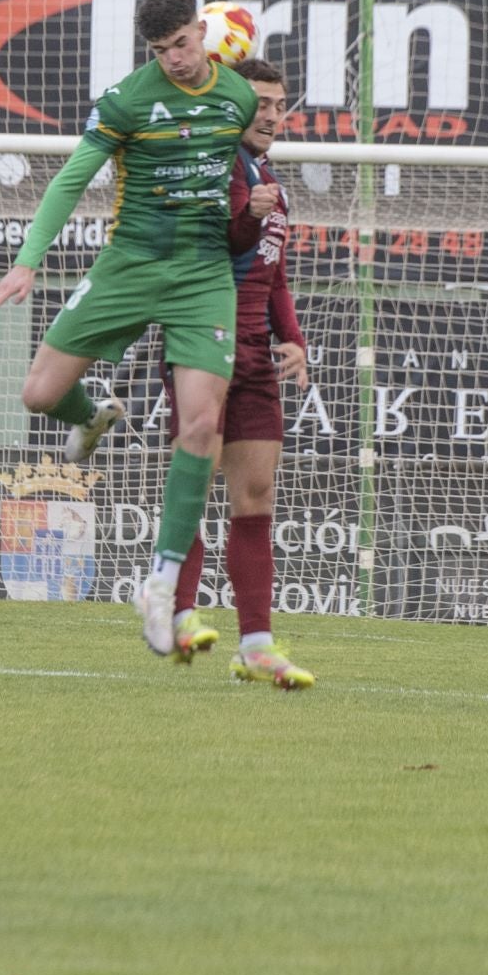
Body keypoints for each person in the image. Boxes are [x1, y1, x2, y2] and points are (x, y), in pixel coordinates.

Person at [0, 0, 254, 657]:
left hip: (201, 275)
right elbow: (71, 179)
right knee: (38, 395)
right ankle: (87, 417)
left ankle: (160, 587)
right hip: (129, 263)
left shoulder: (239, 100)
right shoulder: (129, 100)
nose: (174, 60)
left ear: (204, 30)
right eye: (160, 51)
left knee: (199, 424)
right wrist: (26, 262)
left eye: (182, 45)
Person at [160, 57, 315, 689]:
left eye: (280, 104)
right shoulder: (212, 169)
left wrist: (294, 339)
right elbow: (213, 245)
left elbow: (272, 274)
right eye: (260, 102)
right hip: (203, 341)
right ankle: (174, 615)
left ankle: (256, 644)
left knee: (255, 498)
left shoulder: (271, 181)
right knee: (194, 489)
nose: (272, 114)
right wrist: (249, 211)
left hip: (254, 350)